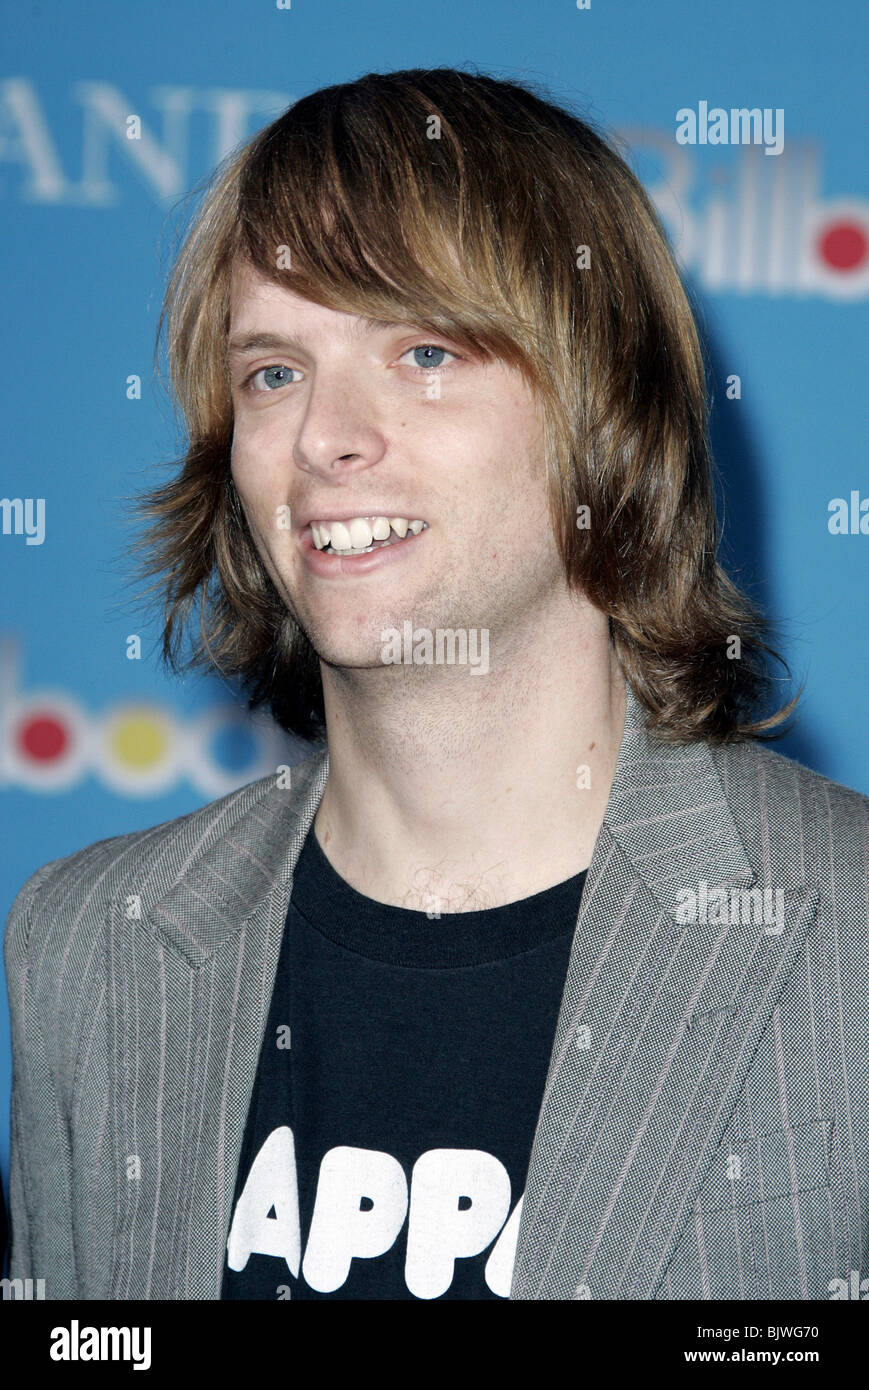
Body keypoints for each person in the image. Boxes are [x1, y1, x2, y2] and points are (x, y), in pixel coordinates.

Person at [4, 67, 867, 1302]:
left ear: (599, 405)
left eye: (419, 352)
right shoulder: (89, 948)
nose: (322, 438)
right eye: (272, 373)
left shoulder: (847, 945)